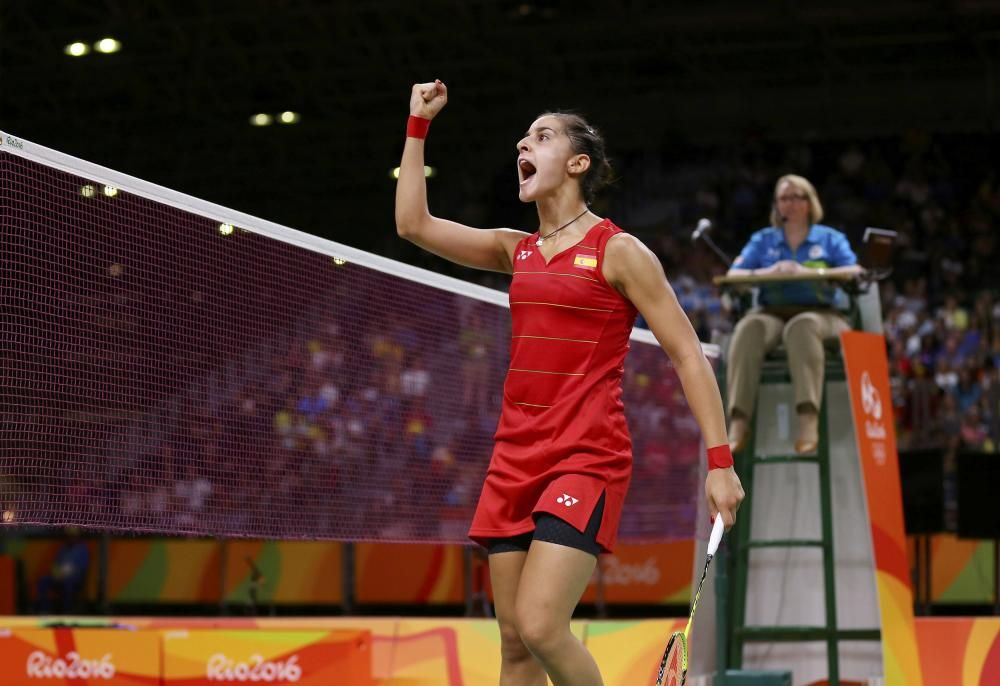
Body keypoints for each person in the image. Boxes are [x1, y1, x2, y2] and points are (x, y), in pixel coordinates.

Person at [395, 80, 744, 686]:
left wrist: (720, 462)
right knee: (513, 647)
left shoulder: (619, 252)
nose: (523, 144)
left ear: (578, 163)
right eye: (524, 138)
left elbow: (688, 354)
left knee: (540, 625)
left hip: (585, 456)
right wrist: (417, 125)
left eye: (542, 136)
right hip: (514, 457)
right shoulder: (516, 249)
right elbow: (412, 224)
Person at [725, 174, 862, 455]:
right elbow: (733, 275)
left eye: (797, 196)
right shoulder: (763, 240)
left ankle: (808, 420)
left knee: (801, 326)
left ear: (810, 202)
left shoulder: (829, 238)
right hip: (771, 313)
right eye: (784, 198)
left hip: (823, 315)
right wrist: (769, 272)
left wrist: (810, 272)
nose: (791, 203)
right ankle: (738, 423)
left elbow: (854, 271)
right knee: (747, 329)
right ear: (776, 205)